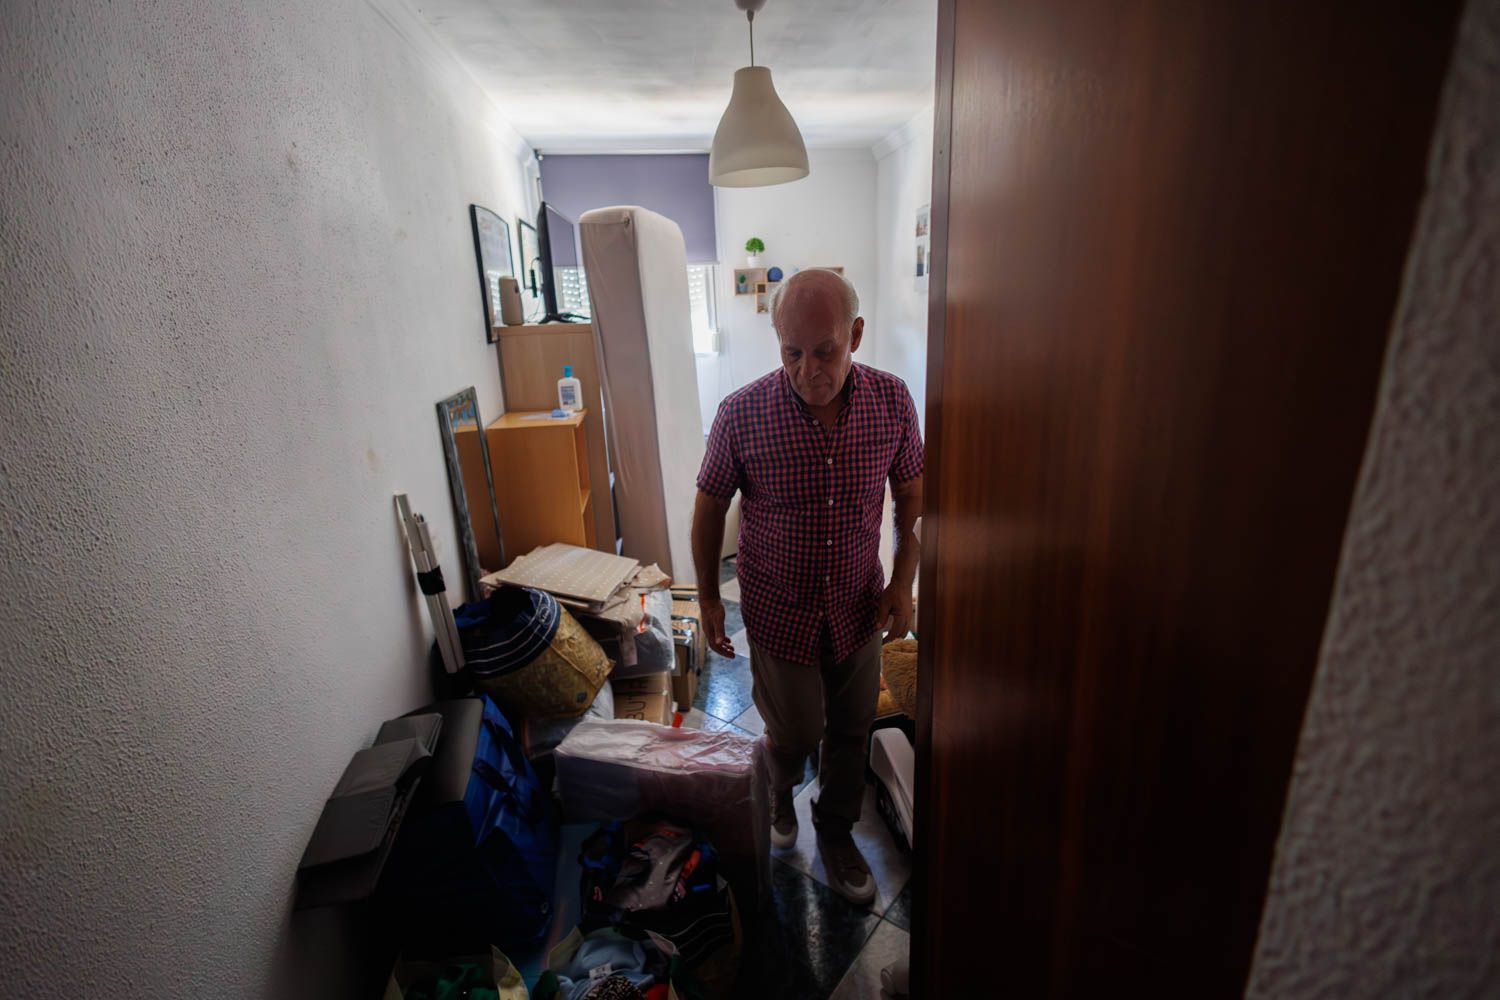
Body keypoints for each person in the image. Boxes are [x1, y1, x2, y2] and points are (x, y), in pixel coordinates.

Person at [691, 268, 923, 905]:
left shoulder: (893, 402)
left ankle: (837, 832)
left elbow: (910, 495)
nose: (808, 370)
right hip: (777, 606)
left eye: (826, 351)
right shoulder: (742, 412)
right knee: (796, 730)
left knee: (851, 730)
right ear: (777, 341)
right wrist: (710, 598)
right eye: (792, 353)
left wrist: (903, 580)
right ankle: (777, 772)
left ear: (856, 334)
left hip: (856, 603)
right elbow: (709, 504)